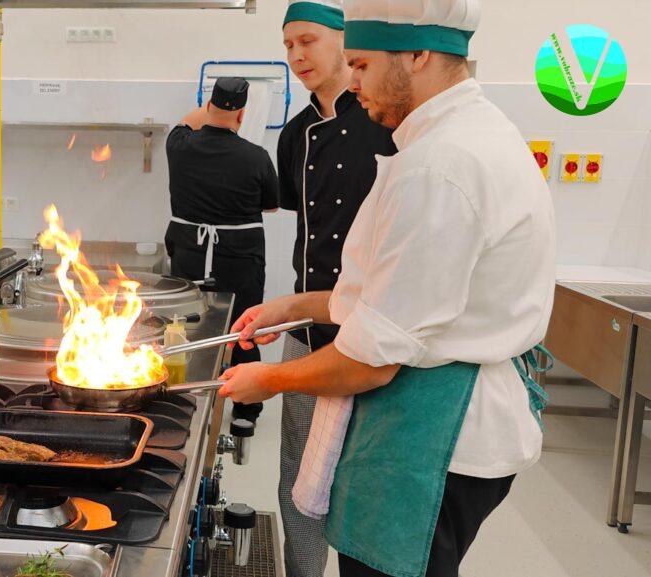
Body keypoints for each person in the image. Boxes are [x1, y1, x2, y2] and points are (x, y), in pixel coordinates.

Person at [219, 0, 556, 576]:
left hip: (433, 437)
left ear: (419, 55)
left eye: (362, 65)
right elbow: (387, 292)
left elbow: (371, 358)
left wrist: (267, 380)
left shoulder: (439, 165)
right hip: (433, 422)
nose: (354, 83)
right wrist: (292, 306)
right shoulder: (465, 133)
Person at [275, 3, 396, 577]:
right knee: (298, 482)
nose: (297, 55)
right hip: (307, 331)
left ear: (343, 41)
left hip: (375, 336)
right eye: (288, 46)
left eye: (308, 40)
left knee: (365, 486)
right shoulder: (294, 135)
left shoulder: (388, 122)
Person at [164, 76, 280, 421]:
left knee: (188, 325)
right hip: (239, 259)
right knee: (243, 330)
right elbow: (272, 206)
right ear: (242, 116)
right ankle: (246, 410)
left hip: (189, 253)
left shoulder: (178, 145)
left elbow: (187, 121)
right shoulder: (256, 157)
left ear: (208, 105)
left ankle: (184, 401)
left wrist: (212, 107)